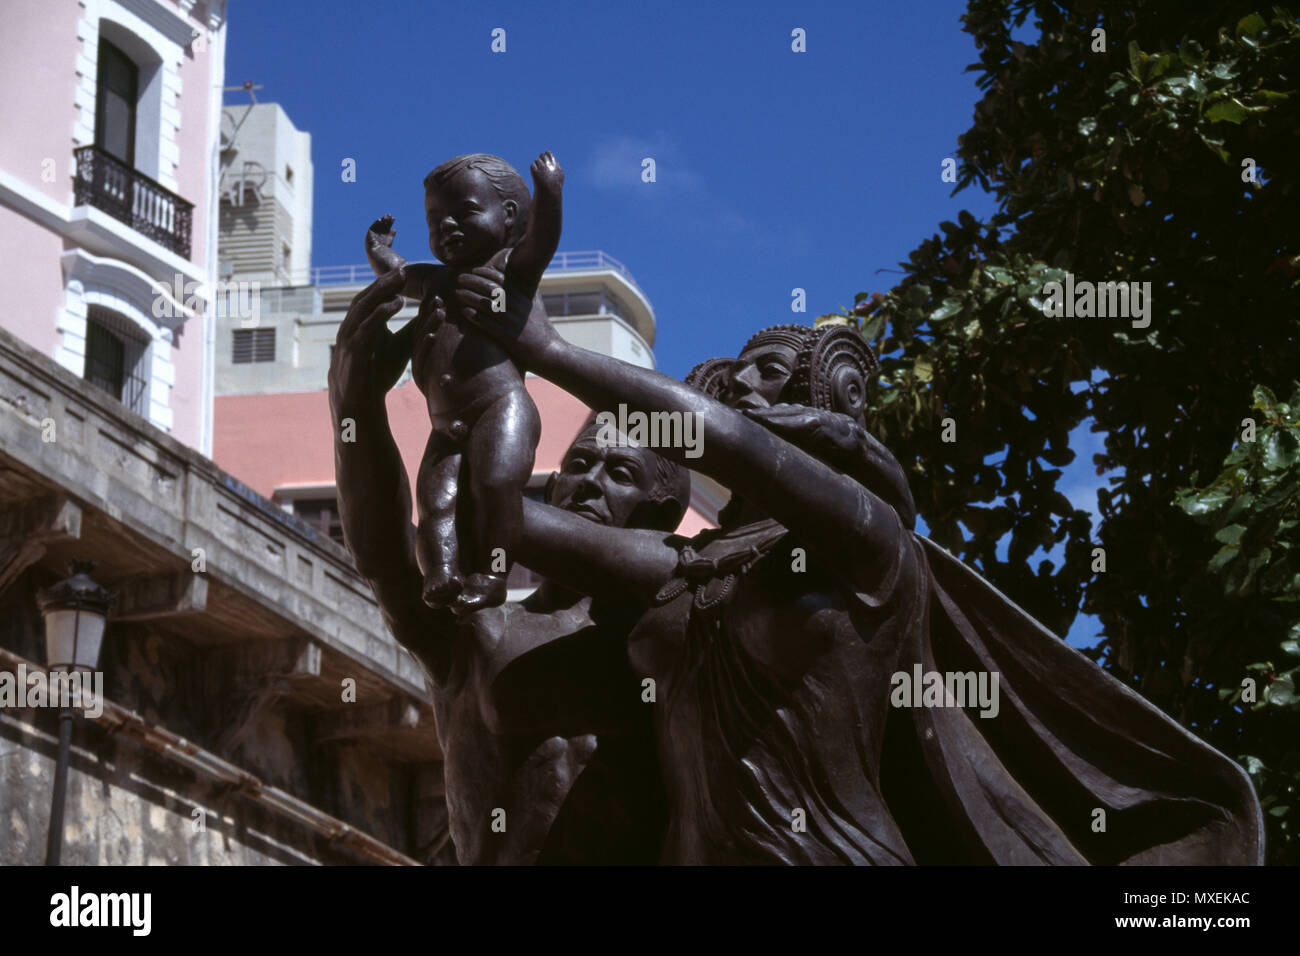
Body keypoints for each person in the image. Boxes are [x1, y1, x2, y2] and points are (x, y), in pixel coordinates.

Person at [450, 264, 1264, 865]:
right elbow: (500, 513)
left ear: (831, 396)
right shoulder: (684, 568)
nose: (740, 386)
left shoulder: (868, 540)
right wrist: (467, 358)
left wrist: (545, 344)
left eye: (768, 374)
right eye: (734, 376)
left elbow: (725, 440)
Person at [329, 272, 690, 864]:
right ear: (550, 483)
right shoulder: (481, 628)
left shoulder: (671, 641)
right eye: (580, 464)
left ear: (659, 517)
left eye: (620, 474)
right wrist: (355, 406)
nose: (590, 482)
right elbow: (382, 551)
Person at [363, 152, 564, 613]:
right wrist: (379, 252)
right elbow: (400, 276)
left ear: (509, 215)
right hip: (444, 422)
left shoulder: (510, 269)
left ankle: (492, 575)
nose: (447, 226)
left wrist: (549, 192)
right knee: (435, 503)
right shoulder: (435, 281)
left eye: (465, 213)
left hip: (500, 405)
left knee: (495, 486)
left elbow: (543, 240)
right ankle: (440, 573)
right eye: (435, 220)